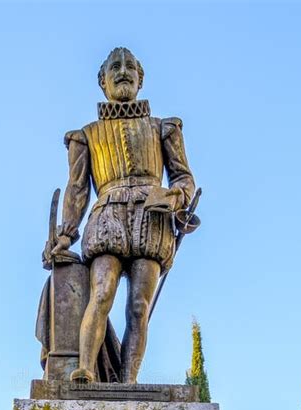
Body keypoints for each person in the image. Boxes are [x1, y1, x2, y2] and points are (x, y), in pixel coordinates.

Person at [51, 47, 195, 384]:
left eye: (130, 66)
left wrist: (176, 197)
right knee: (101, 293)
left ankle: (129, 380)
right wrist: (65, 235)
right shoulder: (85, 135)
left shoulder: (164, 128)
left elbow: (184, 177)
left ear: (141, 79)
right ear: (103, 81)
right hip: (108, 216)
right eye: (115, 67)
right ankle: (86, 367)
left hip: (153, 216)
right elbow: (77, 189)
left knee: (138, 307)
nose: (123, 71)